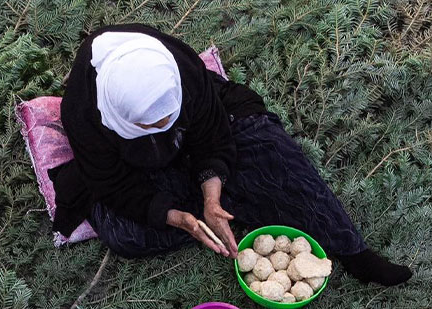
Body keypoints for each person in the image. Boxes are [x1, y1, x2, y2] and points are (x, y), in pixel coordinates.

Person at [51, 24, 413, 286]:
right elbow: (113, 184)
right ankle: (236, 207)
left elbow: (211, 132)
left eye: (168, 117)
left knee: (273, 151)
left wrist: (211, 193)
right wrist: (174, 216)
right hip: (134, 169)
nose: (161, 127)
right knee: (126, 235)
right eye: (149, 126)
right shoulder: (84, 114)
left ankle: (352, 251)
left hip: (202, 135)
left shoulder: (178, 69)